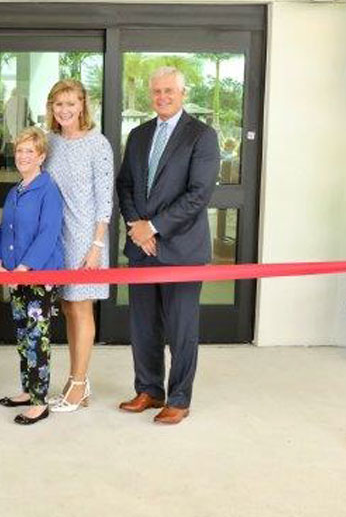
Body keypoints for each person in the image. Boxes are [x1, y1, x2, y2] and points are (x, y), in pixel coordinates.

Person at [116, 66, 220, 425]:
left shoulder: (201, 136)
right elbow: (125, 184)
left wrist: (154, 228)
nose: (162, 97)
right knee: (143, 326)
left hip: (182, 250)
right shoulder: (139, 134)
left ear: (182, 94)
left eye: (169, 91)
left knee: (181, 329)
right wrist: (136, 227)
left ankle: (178, 398)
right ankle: (149, 390)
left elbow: (198, 195)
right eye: (157, 91)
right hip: (140, 249)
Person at [42, 79, 114, 413]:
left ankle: (80, 383)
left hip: (87, 237)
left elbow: (104, 199)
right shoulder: (51, 142)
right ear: (51, 108)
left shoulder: (98, 144)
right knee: (68, 308)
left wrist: (97, 244)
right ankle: (76, 381)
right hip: (60, 237)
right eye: (59, 104)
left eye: (71, 103)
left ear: (83, 105)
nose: (65, 110)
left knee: (81, 307)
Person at [0, 127, 64, 425]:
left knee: (37, 338)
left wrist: (24, 268)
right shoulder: (15, 190)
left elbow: (48, 234)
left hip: (38, 276)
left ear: (41, 157)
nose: (22, 156)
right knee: (23, 335)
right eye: (19, 150)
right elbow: (3, 230)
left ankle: (39, 401)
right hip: (14, 275)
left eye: (29, 152)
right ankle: (27, 389)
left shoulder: (48, 189)